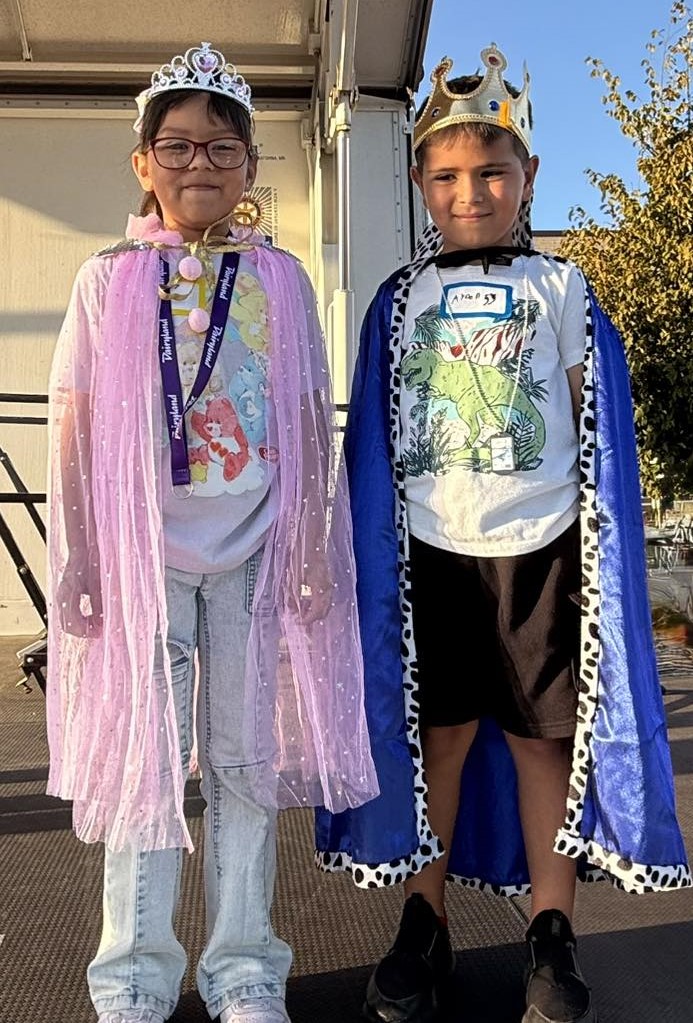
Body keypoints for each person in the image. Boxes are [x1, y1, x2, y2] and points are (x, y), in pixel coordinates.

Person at [315, 45, 690, 1023]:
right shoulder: (399, 299)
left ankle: (549, 932)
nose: (470, 193)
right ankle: (424, 921)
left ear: (528, 176)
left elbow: (592, 422)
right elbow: (376, 442)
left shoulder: (562, 289)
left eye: (491, 172)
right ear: (419, 182)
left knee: (540, 744)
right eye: (447, 175)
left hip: (543, 554)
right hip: (429, 559)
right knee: (435, 740)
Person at [46, 41, 378, 1023]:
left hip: (252, 556)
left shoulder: (277, 277)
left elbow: (309, 416)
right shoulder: (108, 279)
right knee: (146, 766)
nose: (200, 164)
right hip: (144, 558)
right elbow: (74, 423)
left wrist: (311, 542)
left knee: (244, 766)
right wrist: (82, 552)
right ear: (143, 161)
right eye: (178, 146)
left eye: (222, 148)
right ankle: (134, 978)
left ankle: (244, 969)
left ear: (249, 166)